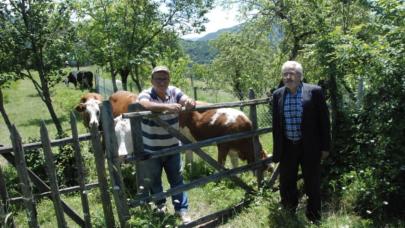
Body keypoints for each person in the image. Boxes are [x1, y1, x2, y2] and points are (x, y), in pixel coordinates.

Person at [272, 61, 331, 223]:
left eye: (291, 73)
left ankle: (314, 218)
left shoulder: (314, 92)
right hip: (287, 147)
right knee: (287, 182)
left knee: (312, 182)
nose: (287, 77)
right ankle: (289, 214)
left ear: (300, 75)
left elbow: (324, 121)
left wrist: (325, 147)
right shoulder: (277, 94)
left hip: (310, 147)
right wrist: (277, 149)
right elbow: (276, 125)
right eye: (285, 74)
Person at [137, 65, 195, 223]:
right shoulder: (146, 94)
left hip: (172, 147)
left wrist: (189, 102)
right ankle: (160, 207)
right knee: (155, 180)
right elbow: (144, 105)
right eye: (158, 79)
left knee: (177, 179)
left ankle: (181, 211)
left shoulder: (174, 91)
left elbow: (186, 99)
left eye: (165, 78)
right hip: (152, 149)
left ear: (169, 80)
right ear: (152, 80)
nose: (162, 82)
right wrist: (166, 107)